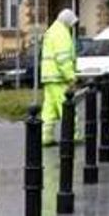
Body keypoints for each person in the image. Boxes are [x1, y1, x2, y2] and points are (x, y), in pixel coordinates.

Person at [39, 8, 78, 147]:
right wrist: (71, 77)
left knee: (49, 110)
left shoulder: (51, 30)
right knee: (66, 107)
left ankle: (46, 137)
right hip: (59, 77)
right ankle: (73, 135)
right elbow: (63, 58)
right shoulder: (62, 33)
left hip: (48, 77)